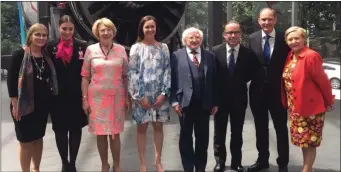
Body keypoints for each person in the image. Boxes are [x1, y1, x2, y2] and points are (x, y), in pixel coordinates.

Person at [282, 26, 335, 172]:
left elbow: (322, 81)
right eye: (290, 39)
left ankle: (306, 170)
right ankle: (307, 168)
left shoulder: (311, 55)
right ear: (286, 41)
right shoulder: (290, 55)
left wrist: (329, 100)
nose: (293, 41)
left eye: (296, 38)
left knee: (310, 141)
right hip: (295, 106)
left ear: (303, 39)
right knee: (304, 141)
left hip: (310, 107)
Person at [81, 18, 130, 172]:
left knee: (115, 133)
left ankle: (117, 164)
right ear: (97, 33)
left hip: (116, 97)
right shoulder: (90, 50)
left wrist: (127, 96)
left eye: (109, 29)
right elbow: (85, 76)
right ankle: (104, 164)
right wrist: (84, 99)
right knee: (100, 133)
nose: (106, 32)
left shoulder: (121, 50)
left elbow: (125, 75)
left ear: (113, 32)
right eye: (103, 30)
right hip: (96, 98)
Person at [7, 23, 58, 172]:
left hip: (41, 106)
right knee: (25, 141)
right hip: (23, 105)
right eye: (38, 34)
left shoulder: (46, 55)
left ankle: (36, 168)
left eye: (44, 35)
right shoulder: (20, 55)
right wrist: (15, 105)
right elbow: (11, 81)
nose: (41, 38)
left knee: (38, 138)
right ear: (30, 36)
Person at [170, 27, 219, 172]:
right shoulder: (176, 56)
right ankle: (188, 167)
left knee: (202, 139)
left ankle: (200, 168)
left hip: (205, 104)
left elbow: (215, 80)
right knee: (185, 138)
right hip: (184, 104)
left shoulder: (210, 56)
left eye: (197, 37)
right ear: (185, 40)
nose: (194, 40)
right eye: (191, 37)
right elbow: (172, 79)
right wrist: (174, 101)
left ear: (201, 40)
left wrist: (215, 102)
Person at [248, 8, 290, 172]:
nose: (266, 22)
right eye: (263, 20)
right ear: (259, 21)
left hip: (278, 91)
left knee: (280, 128)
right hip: (257, 92)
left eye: (269, 19)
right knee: (260, 128)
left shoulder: (284, 38)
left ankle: (283, 163)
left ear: (275, 20)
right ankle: (262, 160)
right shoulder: (252, 38)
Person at [128, 15, 171, 172]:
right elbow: (132, 73)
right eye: (147, 27)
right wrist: (139, 97)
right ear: (142, 28)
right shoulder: (136, 48)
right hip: (142, 97)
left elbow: (167, 70)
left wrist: (164, 93)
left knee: (159, 128)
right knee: (142, 129)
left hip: (160, 96)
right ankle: (143, 163)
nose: (150, 29)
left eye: (152, 26)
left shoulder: (164, 47)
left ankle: (158, 161)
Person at [212, 21, 256, 172]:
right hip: (220, 101)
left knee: (237, 133)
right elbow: (211, 76)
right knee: (219, 133)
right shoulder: (214, 52)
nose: (233, 35)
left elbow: (251, 74)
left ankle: (237, 162)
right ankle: (220, 162)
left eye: (236, 32)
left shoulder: (248, 53)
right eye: (229, 33)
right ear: (224, 35)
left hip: (239, 100)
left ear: (240, 35)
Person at [47, 15, 88, 172]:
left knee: (76, 129)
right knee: (60, 131)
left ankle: (73, 162)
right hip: (57, 97)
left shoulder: (82, 46)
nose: (67, 32)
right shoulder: (50, 47)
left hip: (76, 96)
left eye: (70, 29)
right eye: (64, 29)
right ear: (59, 28)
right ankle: (64, 161)